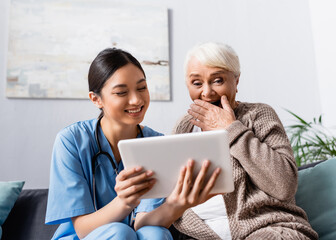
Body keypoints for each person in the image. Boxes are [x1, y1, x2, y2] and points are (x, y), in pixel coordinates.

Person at [45, 48, 220, 240]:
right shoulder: (71, 141)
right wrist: (124, 202)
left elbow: (143, 222)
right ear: (96, 99)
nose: (136, 99)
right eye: (121, 92)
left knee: (155, 234)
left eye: (141, 88)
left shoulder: (156, 143)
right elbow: (83, 229)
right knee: (120, 232)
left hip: (131, 235)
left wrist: (179, 204)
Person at [171, 42, 319, 240]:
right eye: (197, 83)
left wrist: (231, 129)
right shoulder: (184, 127)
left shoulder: (258, 115)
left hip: (267, 229)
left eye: (217, 80)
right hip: (200, 234)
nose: (206, 92)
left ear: (236, 80)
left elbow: (284, 186)